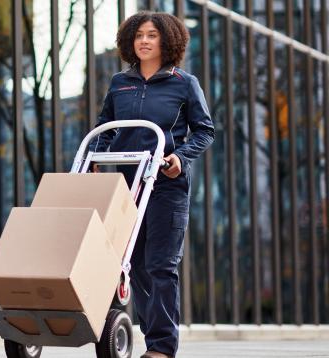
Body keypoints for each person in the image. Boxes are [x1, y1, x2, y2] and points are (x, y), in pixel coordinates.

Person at [88, 11, 215, 358]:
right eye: (139, 35)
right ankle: (151, 335)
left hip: (165, 184)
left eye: (152, 36)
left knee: (161, 264)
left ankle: (161, 347)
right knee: (136, 263)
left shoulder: (184, 83)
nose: (144, 41)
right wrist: (96, 158)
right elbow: (107, 125)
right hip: (126, 186)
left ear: (167, 41)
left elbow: (204, 130)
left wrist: (180, 157)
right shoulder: (119, 82)